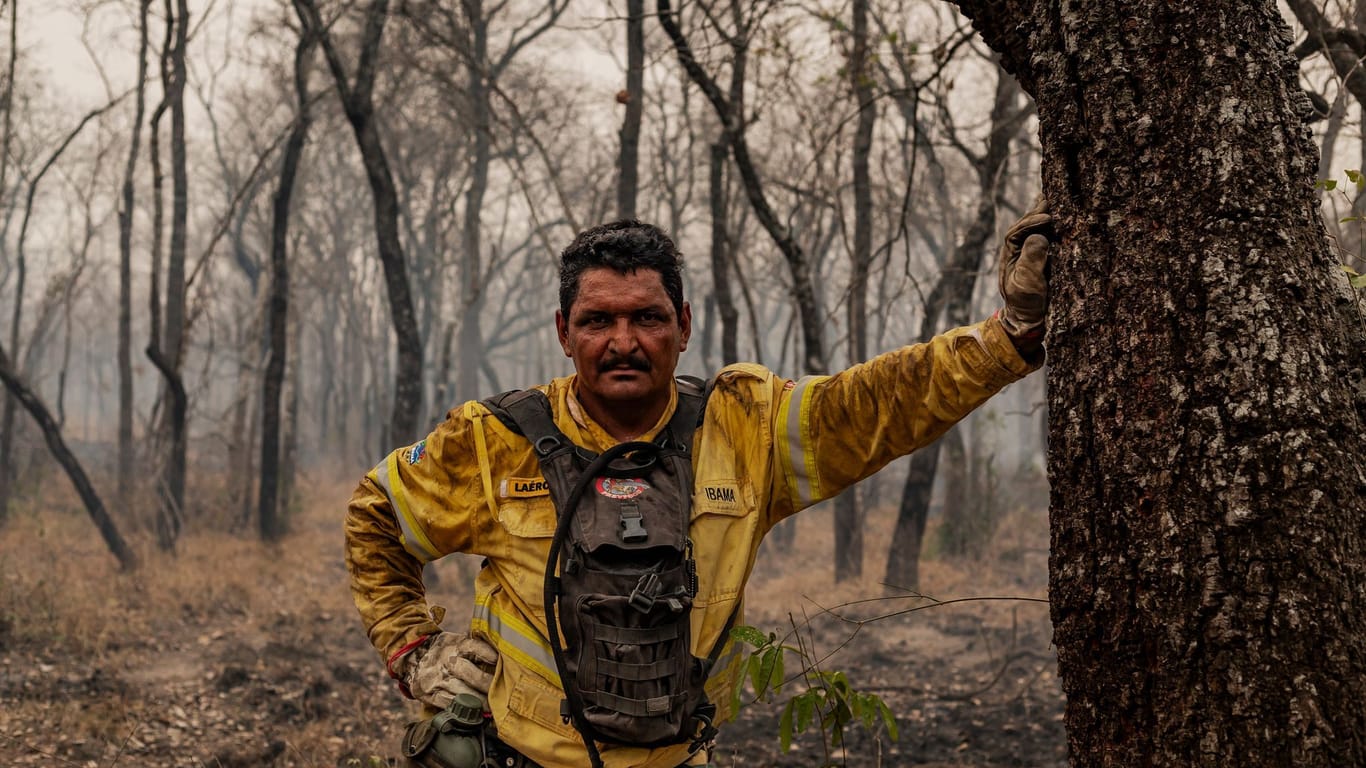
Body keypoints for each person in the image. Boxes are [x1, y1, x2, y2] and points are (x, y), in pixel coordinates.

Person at [345, 202, 1053, 768]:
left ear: (682, 326)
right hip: (520, 757)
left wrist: (1009, 338)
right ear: (565, 332)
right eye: (598, 321)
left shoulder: (744, 426)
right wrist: (413, 651)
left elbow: (878, 403)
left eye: (647, 318)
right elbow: (376, 514)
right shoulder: (493, 439)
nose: (623, 341)